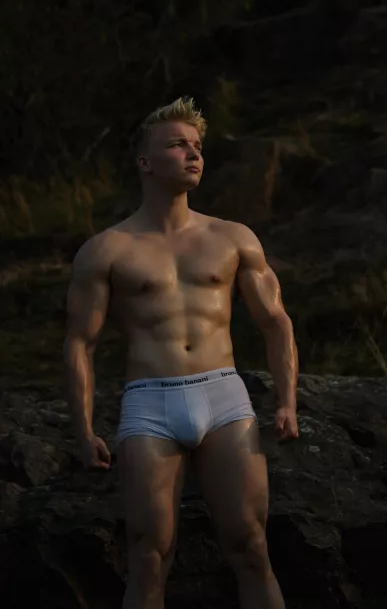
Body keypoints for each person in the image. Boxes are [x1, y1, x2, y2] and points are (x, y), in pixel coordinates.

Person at [63, 97, 299, 609]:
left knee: (252, 548)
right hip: (150, 403)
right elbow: (81, 342)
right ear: (145, 162)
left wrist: (287, 401)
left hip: (225, 398)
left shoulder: (232, 238)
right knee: (149, 557)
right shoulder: (107, 249)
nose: (193, 154)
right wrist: (83, 431)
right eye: (177, 145)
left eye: (197, 146)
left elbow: (276, 322)